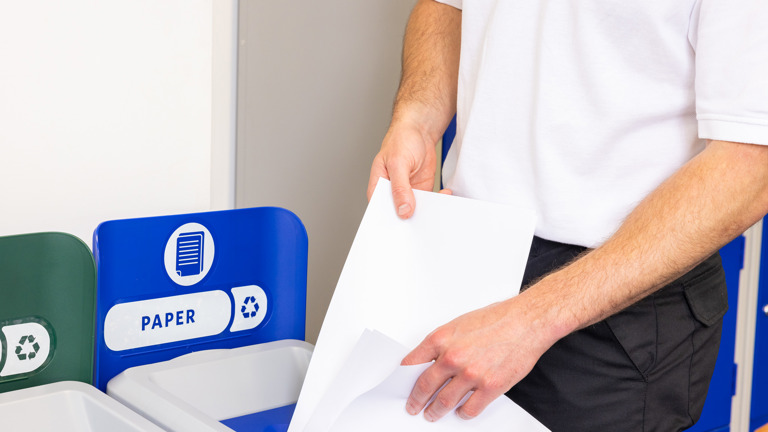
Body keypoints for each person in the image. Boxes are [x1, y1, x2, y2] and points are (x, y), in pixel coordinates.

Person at [366, 0, 768, 430]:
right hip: (465, 249)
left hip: (613, 301)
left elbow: (751, 164)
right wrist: (418, 118)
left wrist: (529, 321)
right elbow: (446, 5)